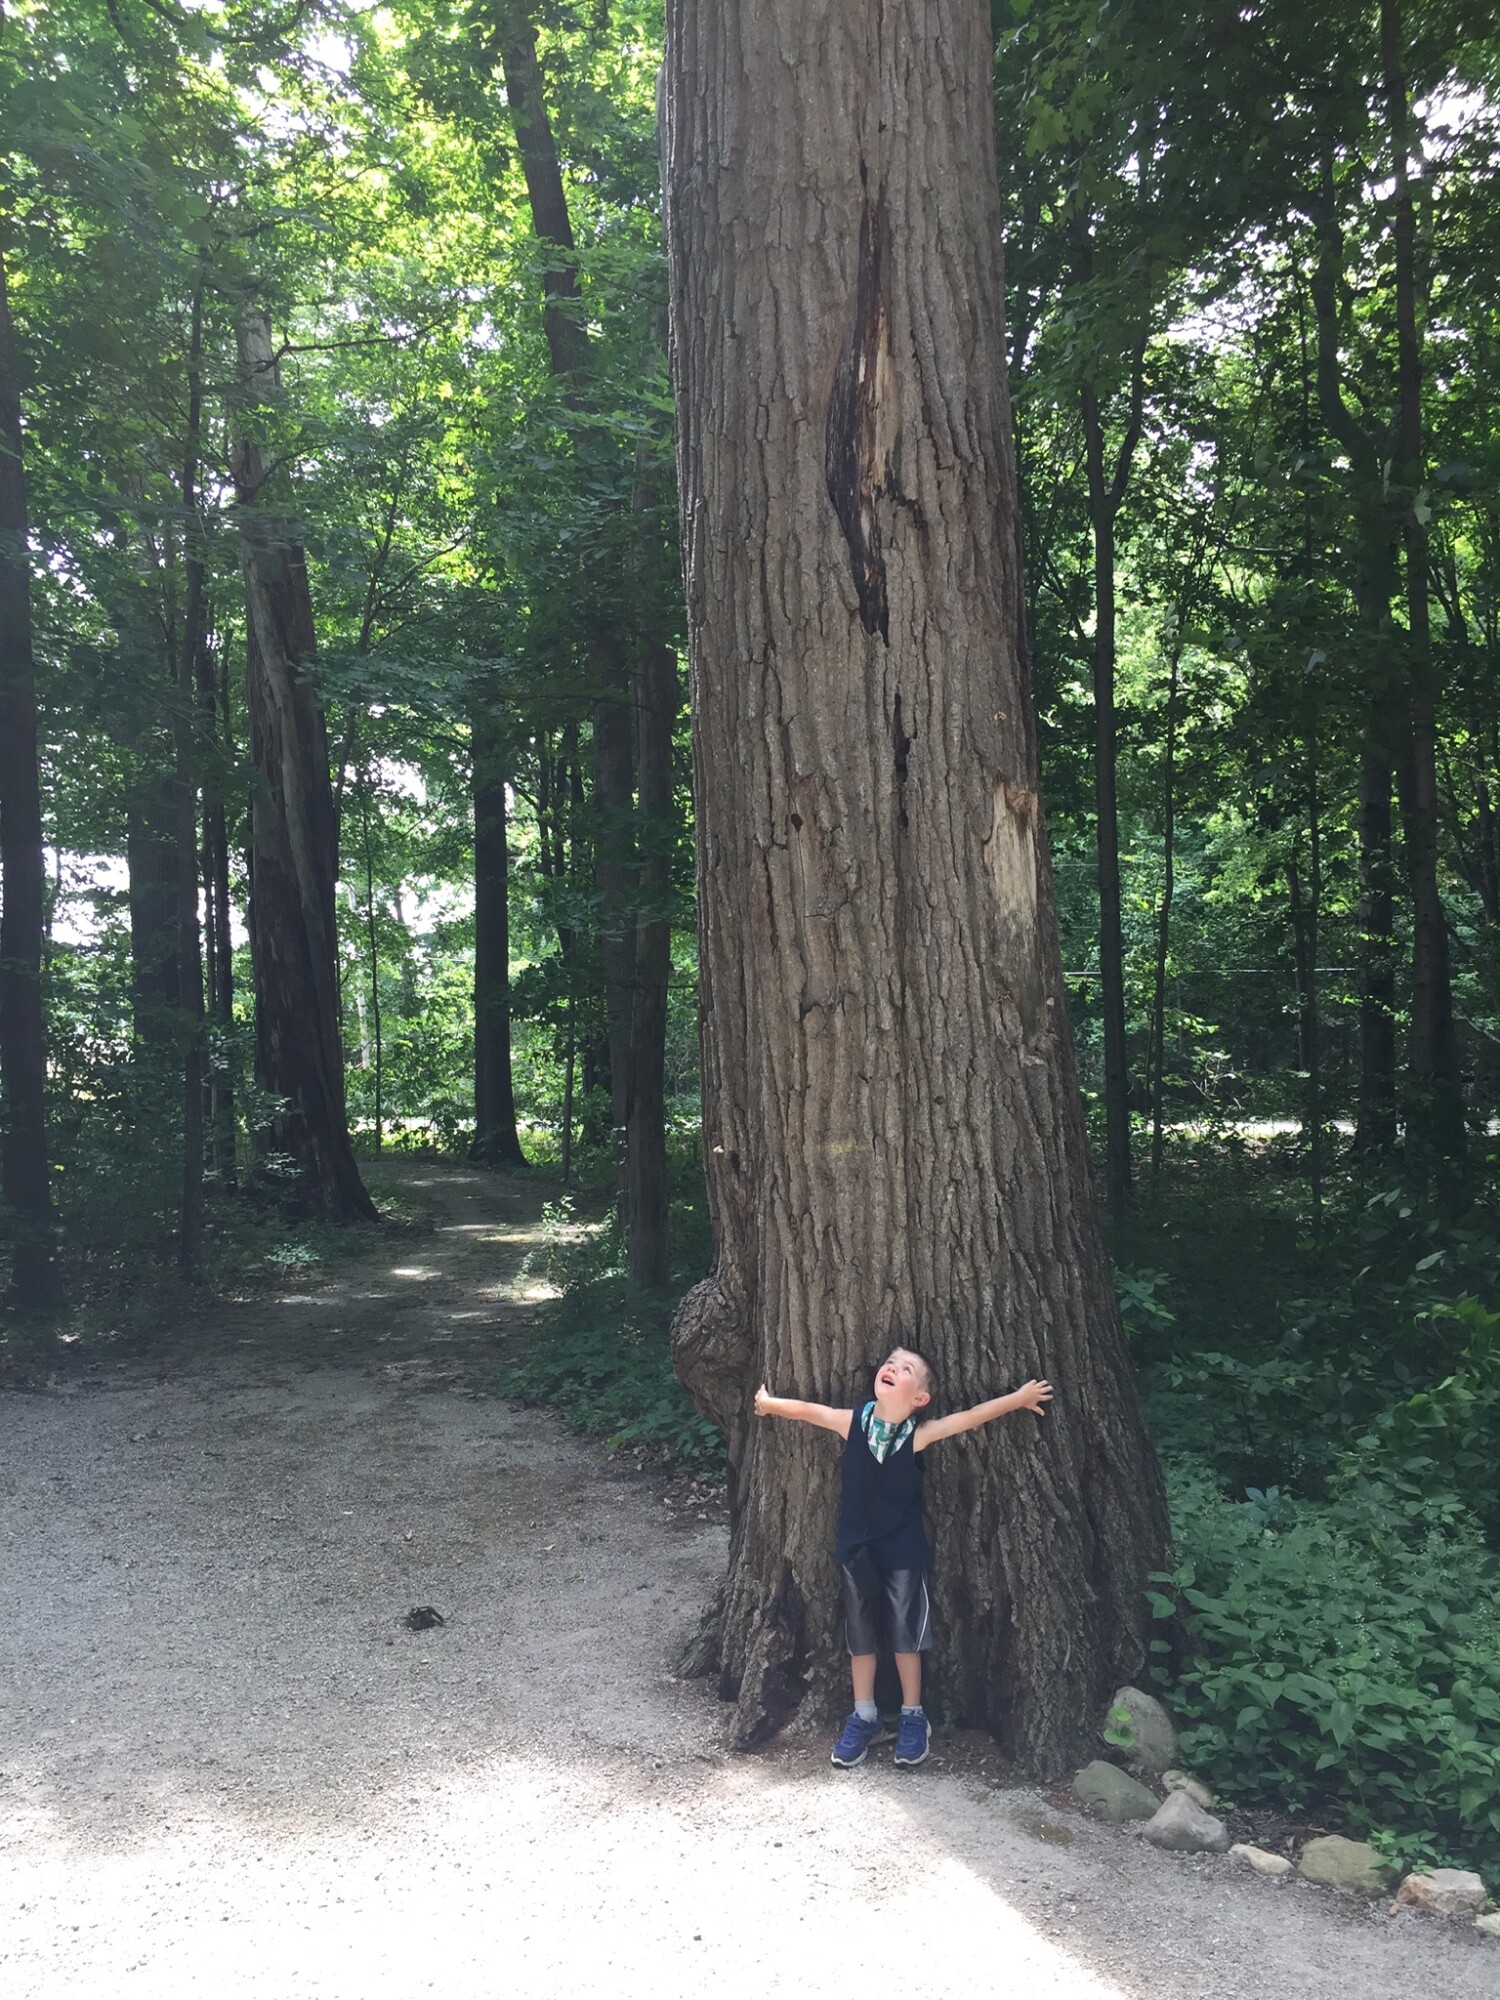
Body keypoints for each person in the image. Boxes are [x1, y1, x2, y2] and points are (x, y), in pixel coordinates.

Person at [753, 1349, 1054, 1768]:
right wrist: (768, 1405)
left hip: (903, 1550)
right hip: (856, 1549)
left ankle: (913, 1715)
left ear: (920, 1399)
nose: (893, 1369)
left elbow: (968, 1417)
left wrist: (1018, 1398)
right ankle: (864, 1714)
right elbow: (809, 1411)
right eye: (891, 1364)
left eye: (906, 1369)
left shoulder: (918, 1434)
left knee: (905, 1632)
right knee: (860, 1635)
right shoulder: (853, 1423)